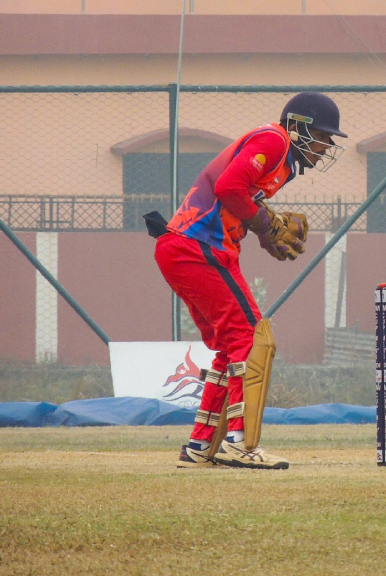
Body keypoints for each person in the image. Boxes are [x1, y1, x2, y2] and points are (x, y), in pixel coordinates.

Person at [148, 92, 347, 469]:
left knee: (231, 347)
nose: (325, 148)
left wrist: (260, 228)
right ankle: (240, 443)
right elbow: (227, 188)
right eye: (323, 136)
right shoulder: (274, 140)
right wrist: (265, 224)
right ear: (299, 127)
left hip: (190, 248)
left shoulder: (284, 161)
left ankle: (201, 446)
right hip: (198, 245)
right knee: (251, 339)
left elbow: (238, 199)